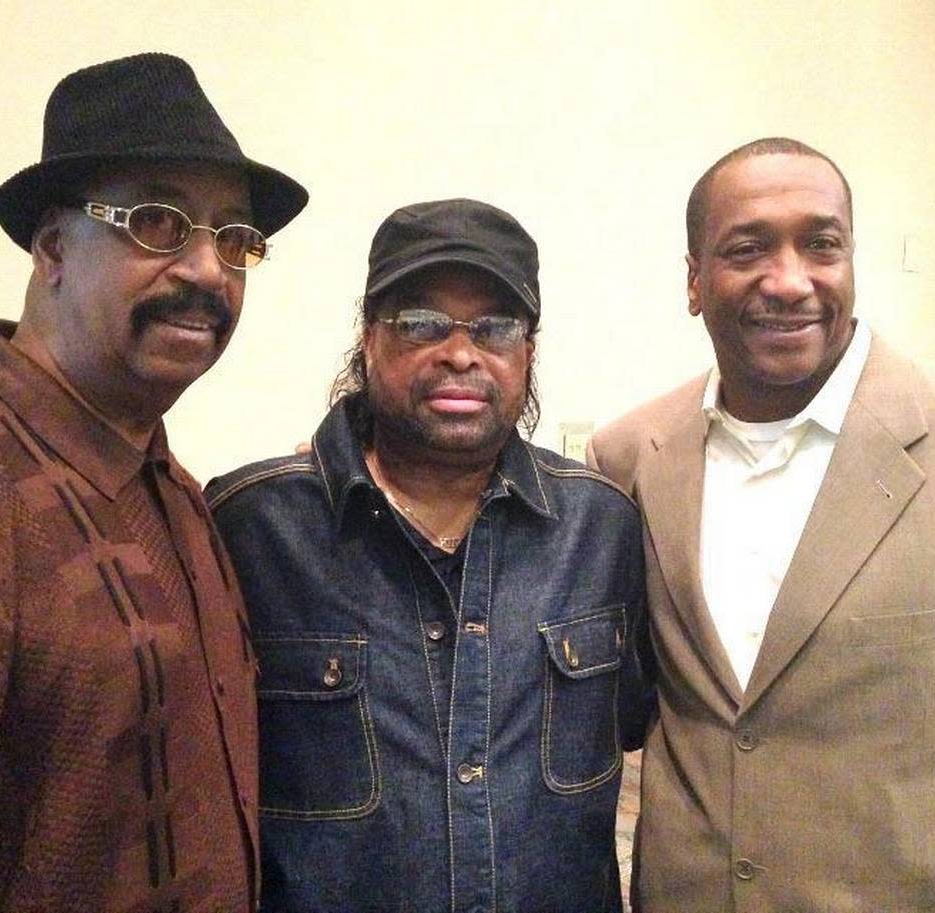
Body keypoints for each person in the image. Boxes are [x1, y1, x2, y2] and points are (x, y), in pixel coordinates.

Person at [0, 53, 307, 913]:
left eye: (235, 237)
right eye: (156, 223)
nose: (210, 271)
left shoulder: (175, 489)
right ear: (55, 245)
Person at [588, 137, 935, 913]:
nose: (790, 280)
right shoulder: (629, 457)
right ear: (694, 282)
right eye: (747, 249)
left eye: (821, 244)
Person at [207, 198, 648, 913]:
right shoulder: (254, 529)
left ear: (528, 349)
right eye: (421, 323)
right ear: (369, 339)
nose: (460, 353)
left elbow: (634, 720)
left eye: (495, 326)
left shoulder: (600, 530)